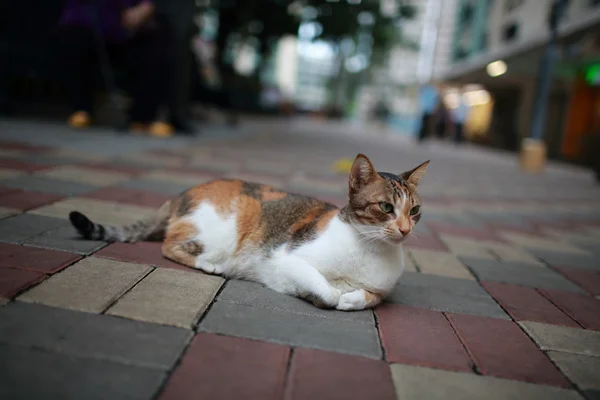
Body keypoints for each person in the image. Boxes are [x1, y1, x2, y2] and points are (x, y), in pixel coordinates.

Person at [58, 0, 173, 137]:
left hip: (125, 32)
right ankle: (81, 109)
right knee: (72, 38)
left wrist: (144, 7)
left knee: (156, 42)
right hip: (87, 24)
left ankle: (142, 117)